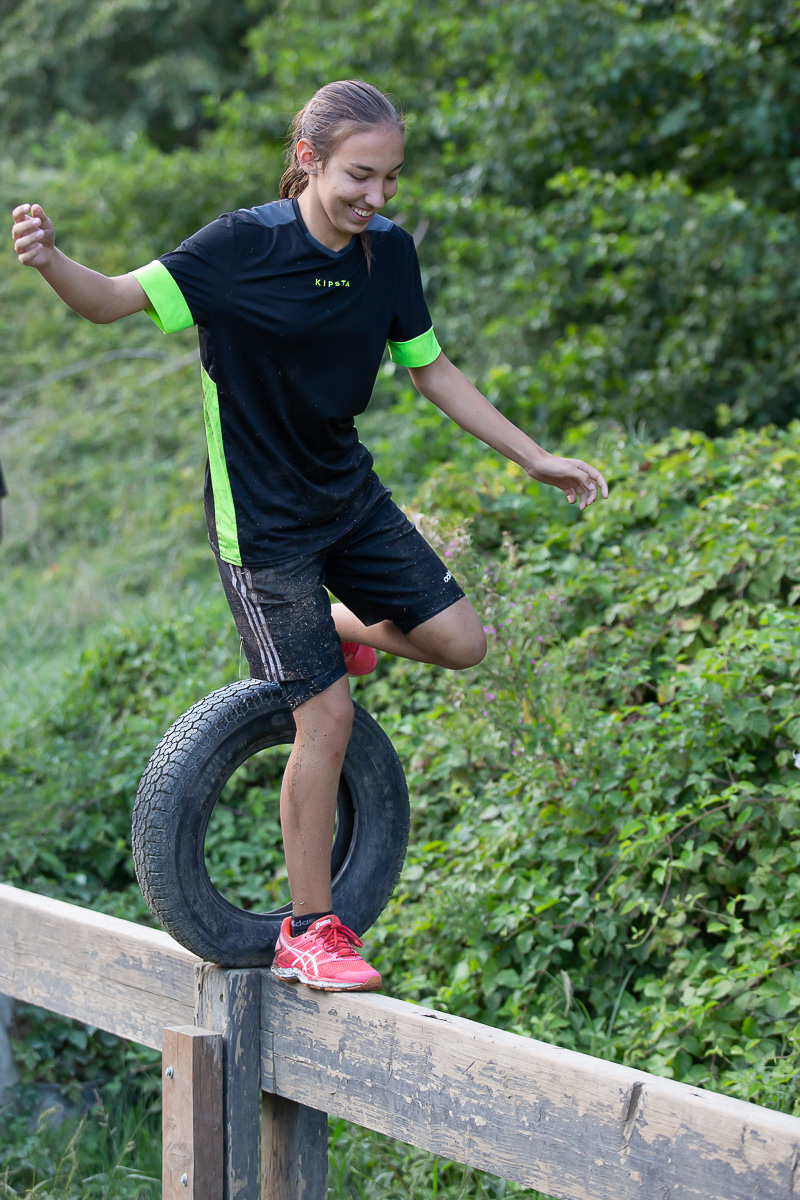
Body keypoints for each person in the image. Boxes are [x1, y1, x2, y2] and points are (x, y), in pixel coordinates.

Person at [11, 79, 608, 993]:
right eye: (361, 175)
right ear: (309, 160)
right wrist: (53, 260)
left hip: (347, 497)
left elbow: (432, 369)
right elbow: (109, 300)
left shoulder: (388, 253)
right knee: (325, 714)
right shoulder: (237, 247)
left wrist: (534, 456)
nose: (378, 195)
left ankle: (331, 628)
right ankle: (309, 929)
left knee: (464, 642)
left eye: (391, 178)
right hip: (264, 526)